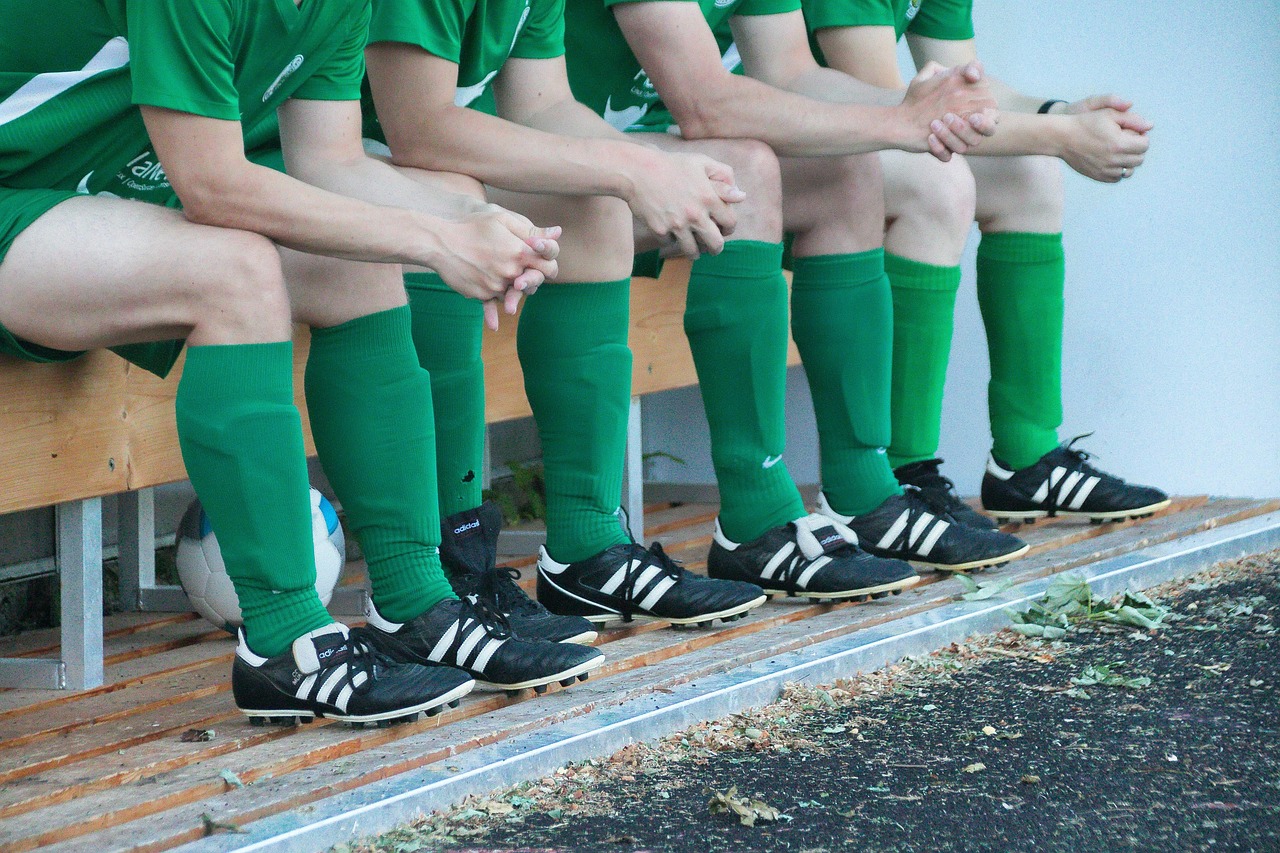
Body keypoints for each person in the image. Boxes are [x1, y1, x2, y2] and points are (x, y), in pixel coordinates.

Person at [0, 0, 602, 727]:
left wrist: (469, 220)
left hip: (89, 204)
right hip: (16, 197)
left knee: (354, 265)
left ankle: (415, 603)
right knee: (234, 271)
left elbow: (332, 164)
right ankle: (282, 640)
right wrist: (434, 240)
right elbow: (214, 186)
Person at [560, 0, 1029, 583]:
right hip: (551, 165)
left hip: (655, 152)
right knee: (748, 170)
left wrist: (914, 115)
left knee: (846, 171)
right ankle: (754, 517)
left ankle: (863, 492)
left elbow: (789, 71)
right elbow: (705, 104)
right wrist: (898, 122)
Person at [360, 0, 768, 632]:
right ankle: (445, 566)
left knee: (595, 207)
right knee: (455, 202)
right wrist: (632, 166)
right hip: (329, 163)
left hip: (403, 159)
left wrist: (653, 171)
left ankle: (587, 545)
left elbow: (543, 103)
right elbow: (419, 128)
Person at [805, 0, 1170, 526]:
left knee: (1030, 173)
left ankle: (1026, 458)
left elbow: (965, 90)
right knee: (936, 183)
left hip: (858, 141)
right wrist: (1067, 139)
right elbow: (902, 113)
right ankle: (902, 470)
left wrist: (1061, 116)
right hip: (795, 147)